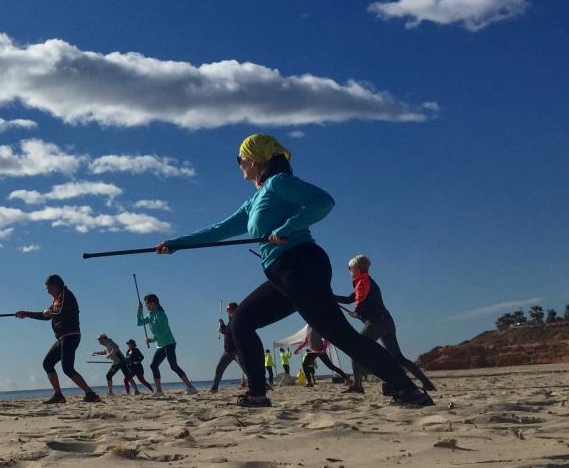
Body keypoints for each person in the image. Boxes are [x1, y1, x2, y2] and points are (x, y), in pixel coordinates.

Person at [156, 133, 433, 408]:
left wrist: (287, 227)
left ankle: (407, 390)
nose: (238, 164)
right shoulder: (254, 202)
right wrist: (176, 244)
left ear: (254, 159)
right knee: (241, 321)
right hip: (281, 274)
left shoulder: (278, 183)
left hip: (301, 265)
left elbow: (323, 201)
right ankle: (256, 394)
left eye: (239, 158)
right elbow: (217, 231)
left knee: (338, 333)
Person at [335, 254, 436, 394]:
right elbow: (349, 300)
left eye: (350, 268)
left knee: (355, 349)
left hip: (377, 323)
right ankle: (427, 383)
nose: (349, 271)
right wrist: (333, 298)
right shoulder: (366, 282)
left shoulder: (363, 283)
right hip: (387, 322)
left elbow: (359, 304)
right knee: (399, 357)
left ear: (357, 268)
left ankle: (357, 385)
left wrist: (355, 312)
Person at [16, 274, 101, 404]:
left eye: (48, 288)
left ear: (55, 285)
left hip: (71, 336)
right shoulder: (57, 299)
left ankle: (91, 394)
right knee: (48, 363)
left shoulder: (67, 295)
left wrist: (50, 312)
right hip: (62, 338)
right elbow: (46, 315)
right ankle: (58, 395)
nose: (47, 291)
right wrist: (26, 314)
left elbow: (60, 311)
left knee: (67, 368)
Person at [137, 294, 197, 395]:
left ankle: (190, 387)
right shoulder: (150, 315)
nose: (146, 306)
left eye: (146, 304)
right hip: (161, 345)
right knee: (153, 365)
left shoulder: (161, 315)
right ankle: (159, 391)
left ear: (153, 303)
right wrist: (139, 310)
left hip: (169, 343)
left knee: (173, 366)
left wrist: (151, 340)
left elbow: (163, 332)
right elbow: (139, 323)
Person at [211, 302, 243, 392]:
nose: (226, 311)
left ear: (233, 310)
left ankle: (262, 384)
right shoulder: (232, 319)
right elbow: (228, 329)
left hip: (234, 350)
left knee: (246, 369)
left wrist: (222, 331)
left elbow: (231, 331)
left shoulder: (236, 319)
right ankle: (214, 388)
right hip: (228, 350)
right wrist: (222, 324)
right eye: (227, 309)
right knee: (219, 369)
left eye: (228, 309)